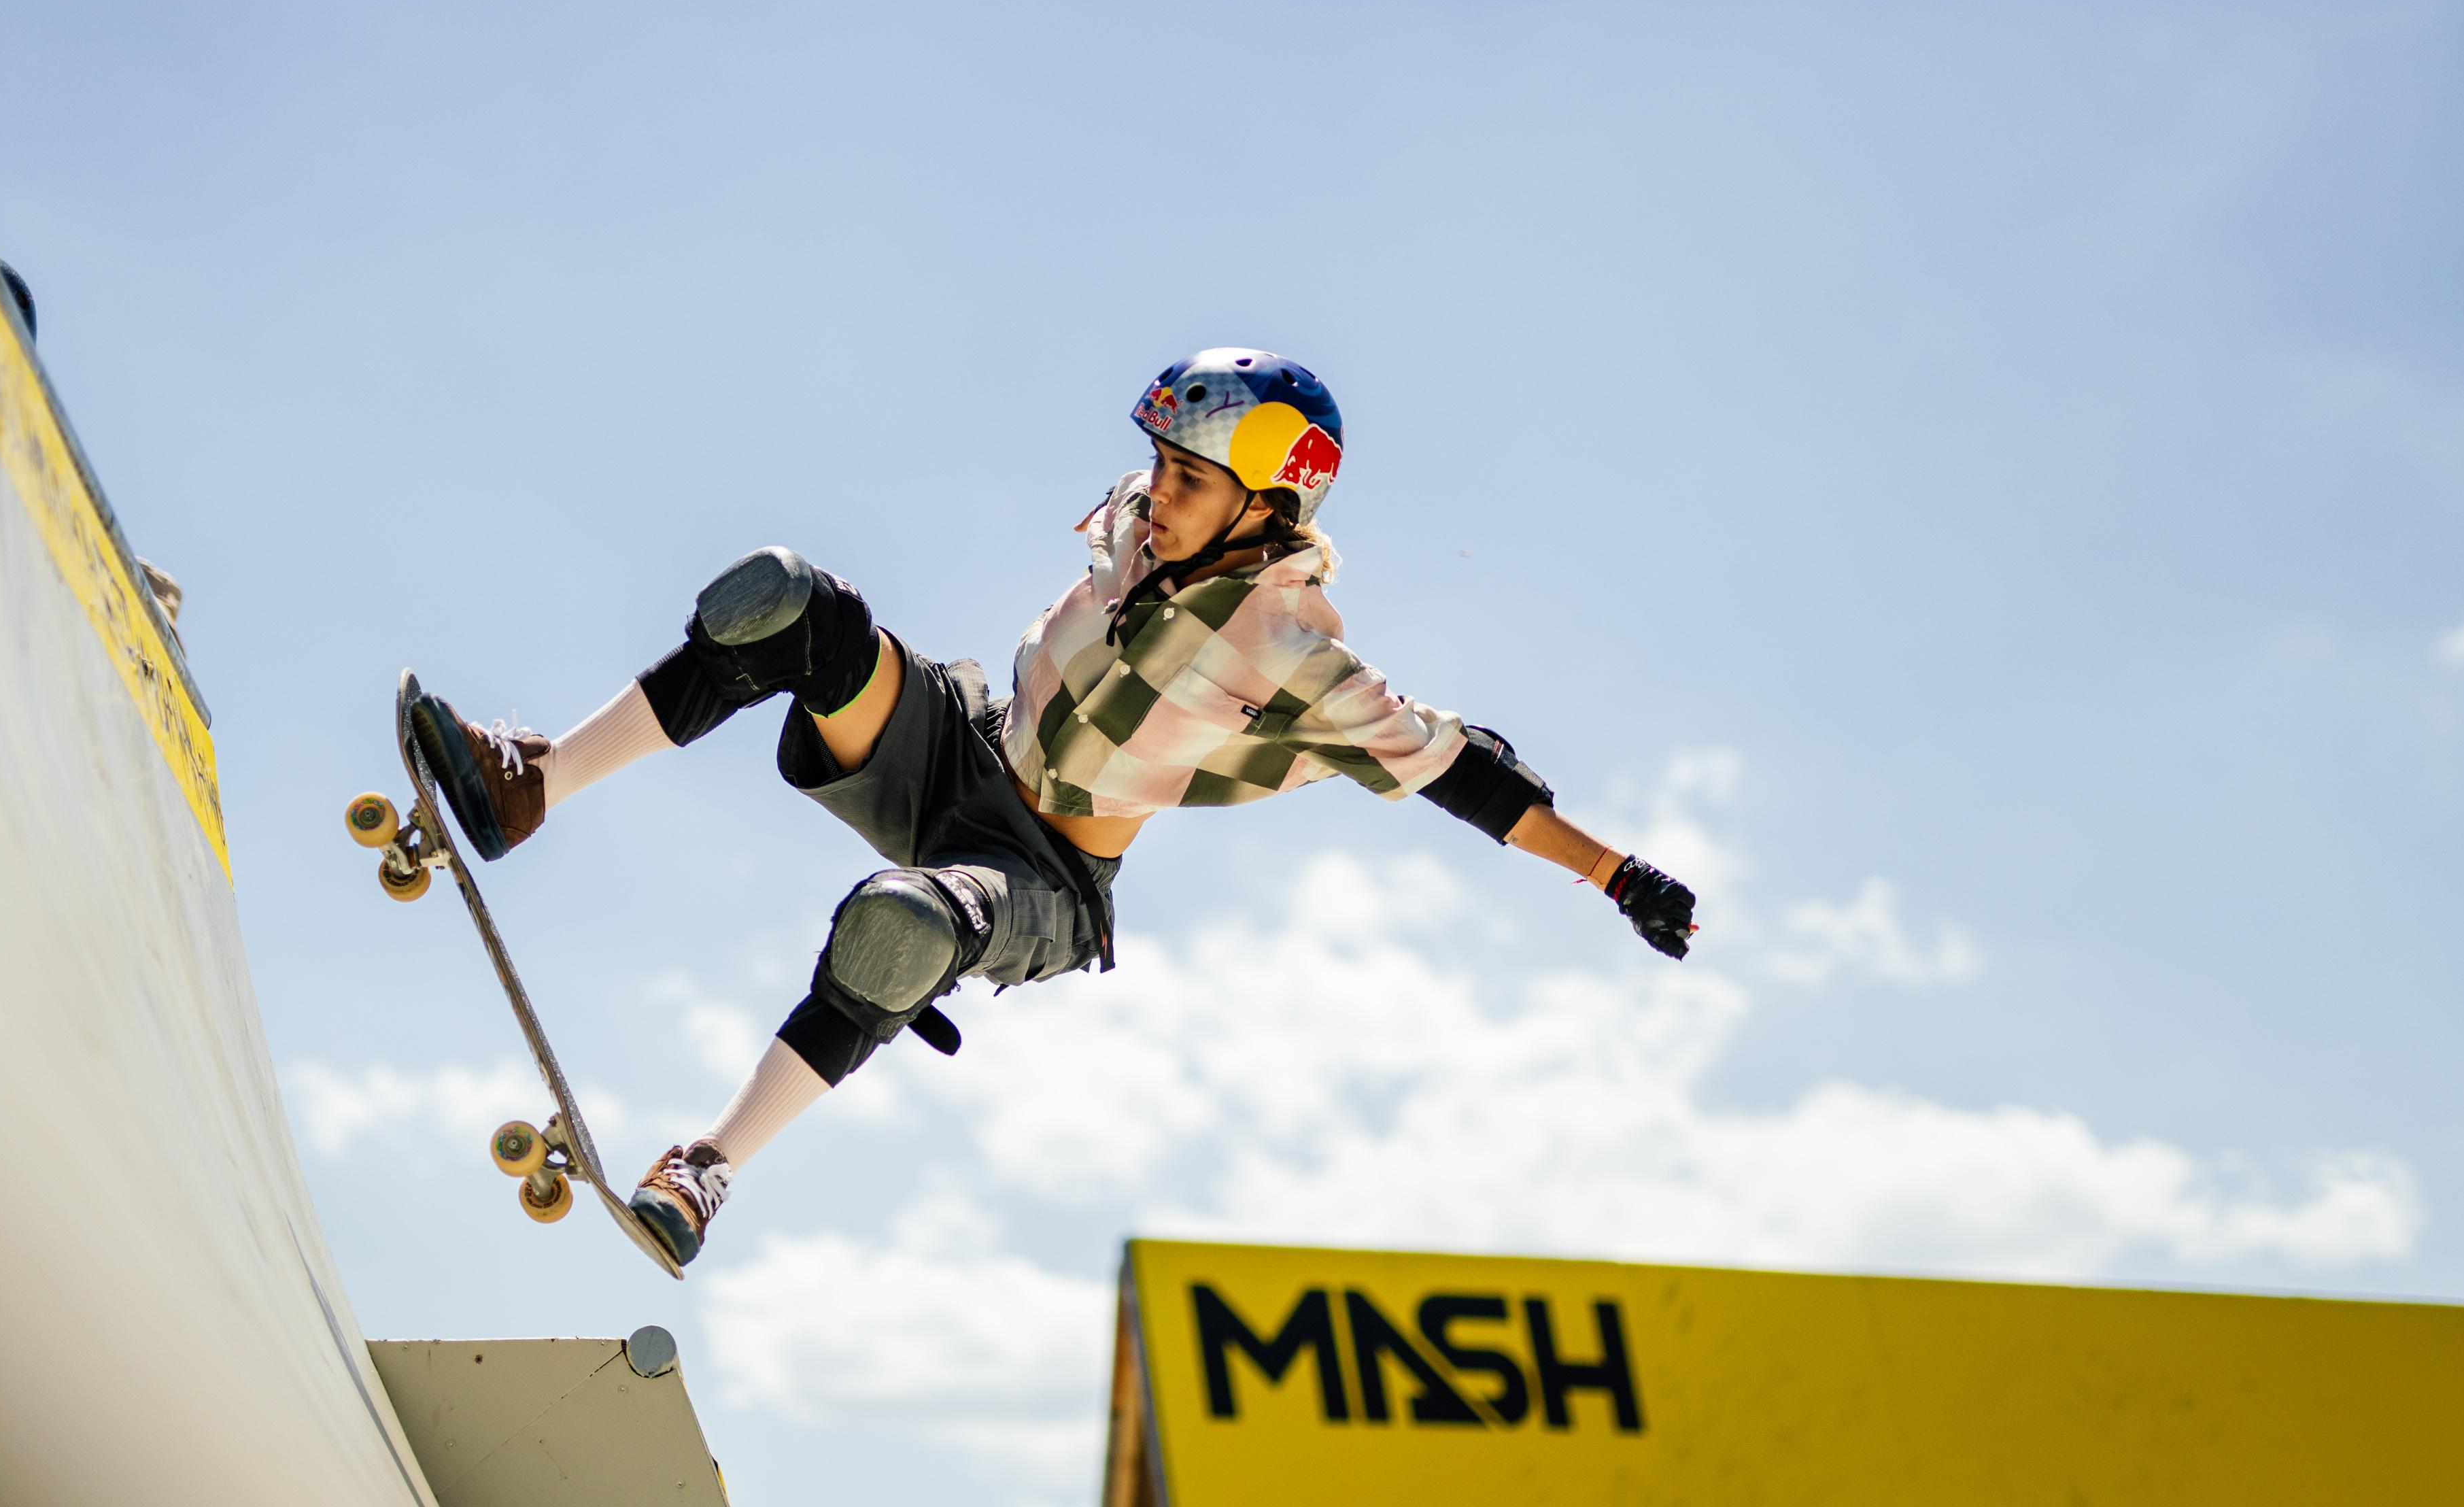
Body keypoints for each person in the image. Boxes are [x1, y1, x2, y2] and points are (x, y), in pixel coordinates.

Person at [409, 349, 1696, 1266]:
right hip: (955, 753)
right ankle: (532, 787)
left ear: (1271, 505)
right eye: (1159, 467)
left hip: (1047, 881)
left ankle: (708, 1166)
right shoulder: (1149, 519)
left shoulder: (1296, 654)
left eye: (1189, 479)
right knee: (786, 599)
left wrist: (1615, 873)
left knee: (900, 922)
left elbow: (1461, 769)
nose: (1156, 493)